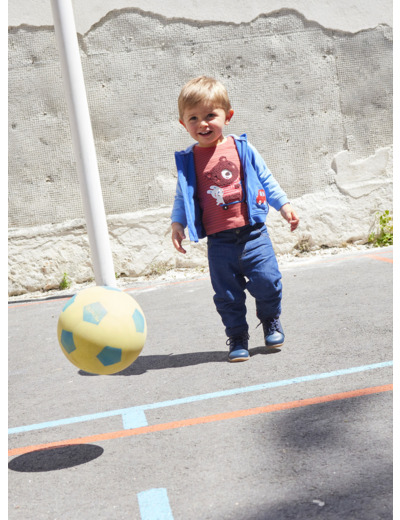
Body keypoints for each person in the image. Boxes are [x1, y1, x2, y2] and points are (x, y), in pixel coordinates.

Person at [171, 76, 299, 362]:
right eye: (193, 118)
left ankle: (270, 319)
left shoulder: (241, 148)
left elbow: (265, 178)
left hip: (253, 234)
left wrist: (284, 205)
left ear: (227, 116)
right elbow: (182, 196)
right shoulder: (189, 160)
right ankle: (238, 336)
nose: (202, 124)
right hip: (219, 242)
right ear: (183, 123)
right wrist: (177, 223)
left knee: (268, 281)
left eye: (210, 116)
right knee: (227, 295)